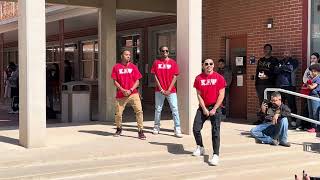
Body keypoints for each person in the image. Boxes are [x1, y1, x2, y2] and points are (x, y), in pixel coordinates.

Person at [192, 58, 226, 166]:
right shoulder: (198, 78)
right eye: (206, 64)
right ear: (203, 65)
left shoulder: (219, 78)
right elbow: (199, 95)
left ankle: (216, 155)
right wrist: (204, 109)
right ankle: (200, 147)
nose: (208, 65)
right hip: (203, 107)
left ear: (213, 65)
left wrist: (214, 109)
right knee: (196, 128)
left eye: (211, 63)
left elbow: (221, 95)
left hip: (216, 107)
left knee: (215, 131)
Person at [111, 50, 146, 140]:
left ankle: (140, 131)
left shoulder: (133, 67)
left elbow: (137, 81)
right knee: (118, 113)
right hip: (121, 94)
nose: (128, 56)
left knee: (139, 111)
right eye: (126, 55)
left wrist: (130, 90)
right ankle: (119, 129)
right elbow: (115, 81)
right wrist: (122, 90)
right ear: (121, 56)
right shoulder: (116, 67)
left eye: (129, 55)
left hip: (133, 93)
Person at [151, 46, 182, 137]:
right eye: (163, 50)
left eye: (166, 51)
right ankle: (156, 127)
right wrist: (161, 88)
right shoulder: (156, 62)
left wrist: (168, 89)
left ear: (168, 52)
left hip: (171, 91)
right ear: (160, 52)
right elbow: (155, 76)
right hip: (159, 90)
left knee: (175, 109)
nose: (165, 52)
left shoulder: (173, 63)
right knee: (158, 109)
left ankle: (177, 128)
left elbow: (175, 76)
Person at [254, 44, 279, 124]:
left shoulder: (274, 60)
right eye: (264, 49)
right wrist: (256, 84)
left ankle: (269, 119)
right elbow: (257, 72)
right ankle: (261, 119)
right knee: (261, 102)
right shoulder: (260, 60)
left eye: (267, 49)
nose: (266, 50)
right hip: (260, 85)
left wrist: (267, 77)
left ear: (271, 51)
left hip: (269, 85)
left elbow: (276, 73)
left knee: (269, 102)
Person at [274, 50, 298, 128]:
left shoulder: (294, 61)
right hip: (280, 86)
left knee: (291, 104)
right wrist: (283, 68)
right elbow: (275, 70)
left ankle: (293, 120)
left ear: (290, 54)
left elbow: (291, 68)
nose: (286, 54)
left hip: (289, 86)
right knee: (280, 104)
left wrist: (281, 67)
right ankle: (281, 120)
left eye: (287, 53)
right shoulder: (280, 61)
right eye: (284, 53)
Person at [305, 63, 320, 133]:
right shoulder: (311, 78)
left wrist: (308, 84)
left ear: (318, 72)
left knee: (315, 112)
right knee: (310, 112)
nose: (313, 72)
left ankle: (316, 127)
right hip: (309, 95)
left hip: (315, 96)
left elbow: (311, 87)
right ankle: (312, 126)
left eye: (315, 71)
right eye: (312, 71)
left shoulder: (318, 79)